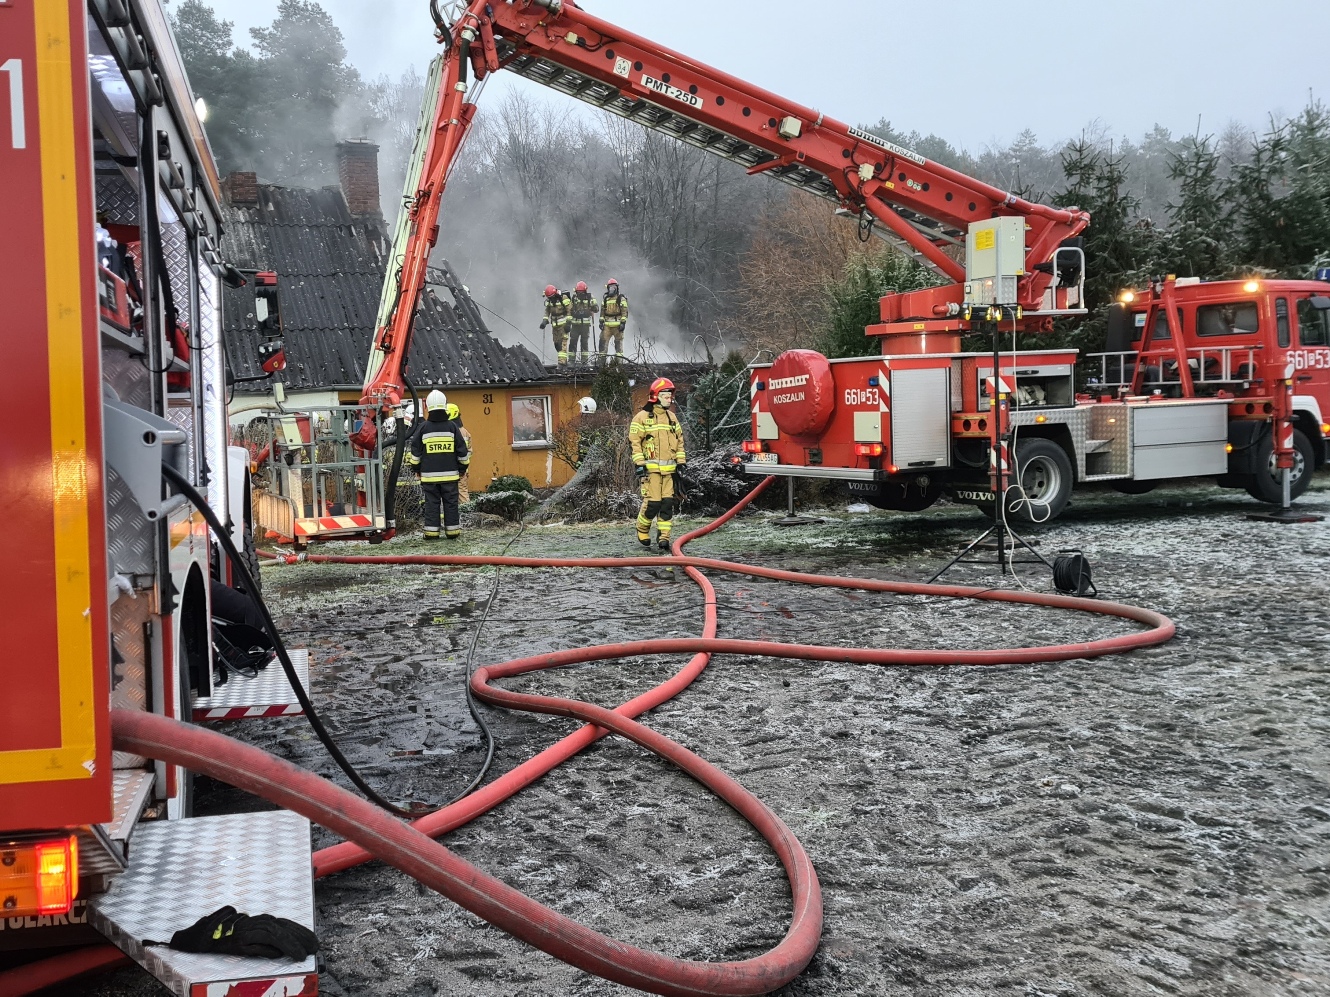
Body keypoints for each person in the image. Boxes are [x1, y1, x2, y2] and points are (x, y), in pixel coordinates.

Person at [629, 377, 686, 550]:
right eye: (666, 396)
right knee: (653, 503)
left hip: (669, 472)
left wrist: (681, 462)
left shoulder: (672, 418)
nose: (669, 399)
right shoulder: (641, 418)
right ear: (656, 396)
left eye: (670, 396)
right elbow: (635, 442)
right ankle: (642, 529)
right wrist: (639, 463)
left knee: (667, 504)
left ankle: (664, 536)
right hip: (650, 471)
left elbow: (680, 440)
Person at [406, 390, 470, 540]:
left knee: (432, 504)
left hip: (429, 478)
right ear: (444, 406)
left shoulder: (423, 428)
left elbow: (415, 454)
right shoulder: (452, 427)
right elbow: (462, 452)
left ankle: (431, 533)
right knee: (451, 503)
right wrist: (462, 469)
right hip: (450, 477)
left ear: (428, 407)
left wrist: (417, 469)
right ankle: (452, 532)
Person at [446, 402, 474, 503]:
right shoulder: (465, 432)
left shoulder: (448, 431)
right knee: (462, 493)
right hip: (462, 470)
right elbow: (469, 452)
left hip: (449, 469)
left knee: (448, 495)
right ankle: (466, 511)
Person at [539, 284, 574, 366]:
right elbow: (547, 311)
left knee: (563, 343)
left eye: (551, 297)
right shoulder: (549, 301)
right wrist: (545, 320)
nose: (551, 299)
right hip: (555, 326)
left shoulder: (563, 298)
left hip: (564, 325)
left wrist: (568, 323)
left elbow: (570, 310)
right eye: (549, 297)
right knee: (556, 344)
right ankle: (563, 360)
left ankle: (562, 363)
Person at [568, 280, 599, 364]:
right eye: (578, 292)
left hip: (585, 325)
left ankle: (584, 361)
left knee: (584, 343)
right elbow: (569, 309)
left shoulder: (590, 297)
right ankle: (571, 361)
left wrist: (591, 309)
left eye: (581, 292)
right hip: (575, 325)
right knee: (573, 342)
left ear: (585, 291)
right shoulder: (574, 298)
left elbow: (596, 308)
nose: (580, 294)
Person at [599, 278, 629, 365]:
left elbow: (624, 312)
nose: (612, 289)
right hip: (607, 326)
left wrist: (623, 323)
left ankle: (619, 363)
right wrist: (601, 322)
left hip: (618, 326)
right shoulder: (605, 299)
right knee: (602, 343)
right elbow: (602, 312)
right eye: (610, 287)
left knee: (618, 345)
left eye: (614, 287)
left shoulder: (621, 299)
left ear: (617, 288)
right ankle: (601, 363)